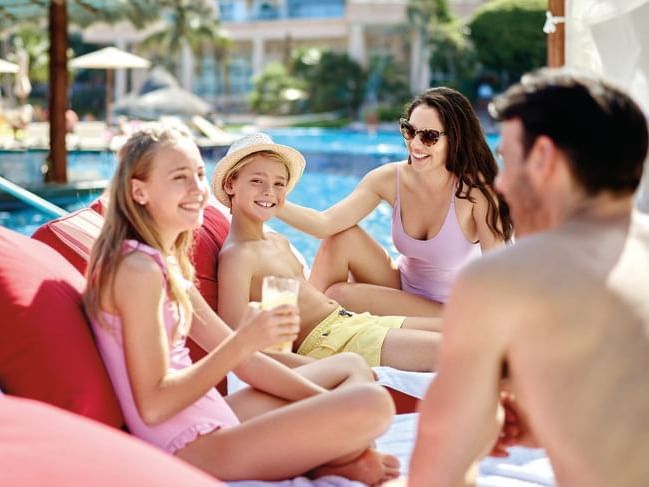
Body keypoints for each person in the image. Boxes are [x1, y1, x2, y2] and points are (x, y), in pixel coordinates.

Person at [82, 125, 400, 484]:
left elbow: (247, 364)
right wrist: (244, 341)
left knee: (351, 372)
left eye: (199, 175)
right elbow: (154, 406)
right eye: (179, 178)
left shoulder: (164, 264)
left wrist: (324, 405)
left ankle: (338, 457)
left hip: (211, 416)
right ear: (139, 191)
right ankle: (334, 460)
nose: (197, 190)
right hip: (191, 447)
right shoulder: (136, 271)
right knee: (373, 405)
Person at [405, 69, 649, 486]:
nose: (501, 183)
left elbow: (438, 464)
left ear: (543, 159)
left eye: (507, 160)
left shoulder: (505, 280)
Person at [276, 87, 513, 318]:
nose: (415, 145)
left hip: (450, 309)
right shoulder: (390, 179)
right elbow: (325, 223)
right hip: (402, 289)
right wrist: (271, 201)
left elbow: (501, 275)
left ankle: (306, 329)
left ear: (456, 139)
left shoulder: (476, 192)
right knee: (341, 237)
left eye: (429, 136)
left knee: (340, 295)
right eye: (409, 131)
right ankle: (300, 332)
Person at [214, 133, 442, 372]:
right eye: (257, 181)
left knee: (466, 331)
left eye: (279, 183)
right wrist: (316, 368)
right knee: (465, 352)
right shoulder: (237, 258)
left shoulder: (276, 241)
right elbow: (234, 344)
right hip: (331, 343)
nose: (269, 191)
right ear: (230, 185)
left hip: (351, 321)